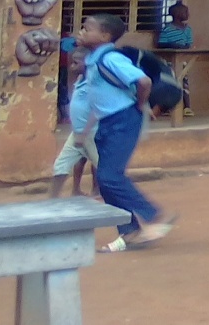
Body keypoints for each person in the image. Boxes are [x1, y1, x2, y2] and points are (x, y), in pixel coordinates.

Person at [75, 13, 175, 252]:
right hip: (107, 123)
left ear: (105, 36)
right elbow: (97, 99)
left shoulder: (110, 58)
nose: (81, 32)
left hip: (124, 120)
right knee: (106, 181)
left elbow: (143, 82)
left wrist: (140, 104)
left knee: (109, 176)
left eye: (87, 29)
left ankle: (155, 216)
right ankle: (130, 232)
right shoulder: (92, 60)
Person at [50, 46, 99, 197]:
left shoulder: (95, 82)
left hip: (91, 133)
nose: (71, 66)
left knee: (104, 170)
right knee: (61, 165)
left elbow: (97, 109)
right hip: (78, 133)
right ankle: (51, 199)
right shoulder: (80, 79)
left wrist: (84, 133)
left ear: (88, 63)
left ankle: (126, 204)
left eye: (76, 63)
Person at [155, 2, 193, 117]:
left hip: (183, 61)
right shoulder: (167, 29)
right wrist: (173, 45)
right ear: (177, 14)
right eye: (185, 12)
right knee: (170, 83)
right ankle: (166, 108)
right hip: (169, 62)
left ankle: (187, 107)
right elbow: (160, 44)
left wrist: (183, 47)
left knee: (184, 83)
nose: (188, 14)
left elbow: (189, 44)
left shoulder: (188, 29)